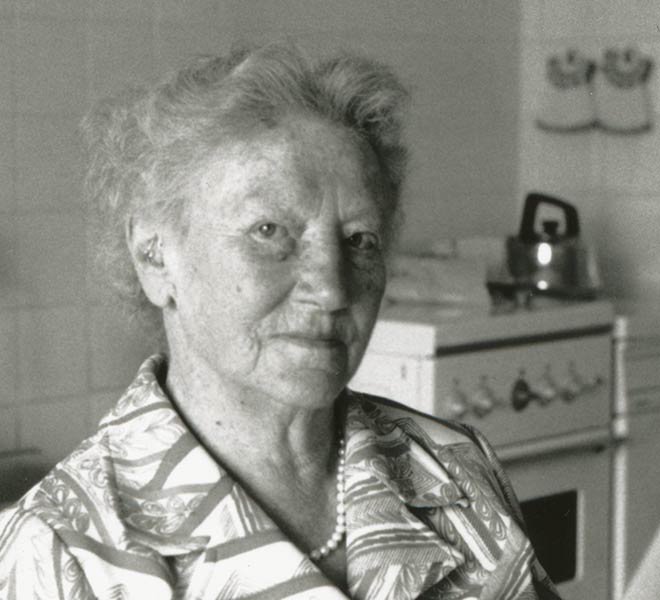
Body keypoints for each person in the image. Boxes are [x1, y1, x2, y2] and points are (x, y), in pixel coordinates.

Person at [0, 43, 560, 599]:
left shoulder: (456, 467)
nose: (332, 288)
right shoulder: (62, 554)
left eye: (359, 240)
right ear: (154, 255)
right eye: (269, 232)